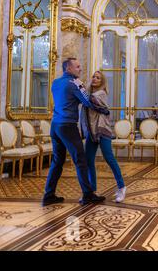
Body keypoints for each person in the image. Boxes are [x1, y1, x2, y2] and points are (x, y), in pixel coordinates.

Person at [42, 58, 109, 206]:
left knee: (57, 161)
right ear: (69, 69)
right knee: (81, 160)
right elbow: (88, 101)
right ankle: (87, 194)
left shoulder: (55, 83)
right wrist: (104, 109)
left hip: (55, 126)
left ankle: (48, 195)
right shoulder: (74, 84)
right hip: (68, 126)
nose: (80, 69)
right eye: (77, 67)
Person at [80, 71, 126, 203]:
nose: (94, 79)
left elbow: (90, 100)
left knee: (109, 158)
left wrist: (79, 87)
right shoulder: (88, 93)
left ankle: (122, 187)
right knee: (88, 160)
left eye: (98, 78)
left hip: (102, 130)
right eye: (93, 76)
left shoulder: (101, 93)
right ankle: (91, 191)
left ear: (102, 82)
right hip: (92, 131)